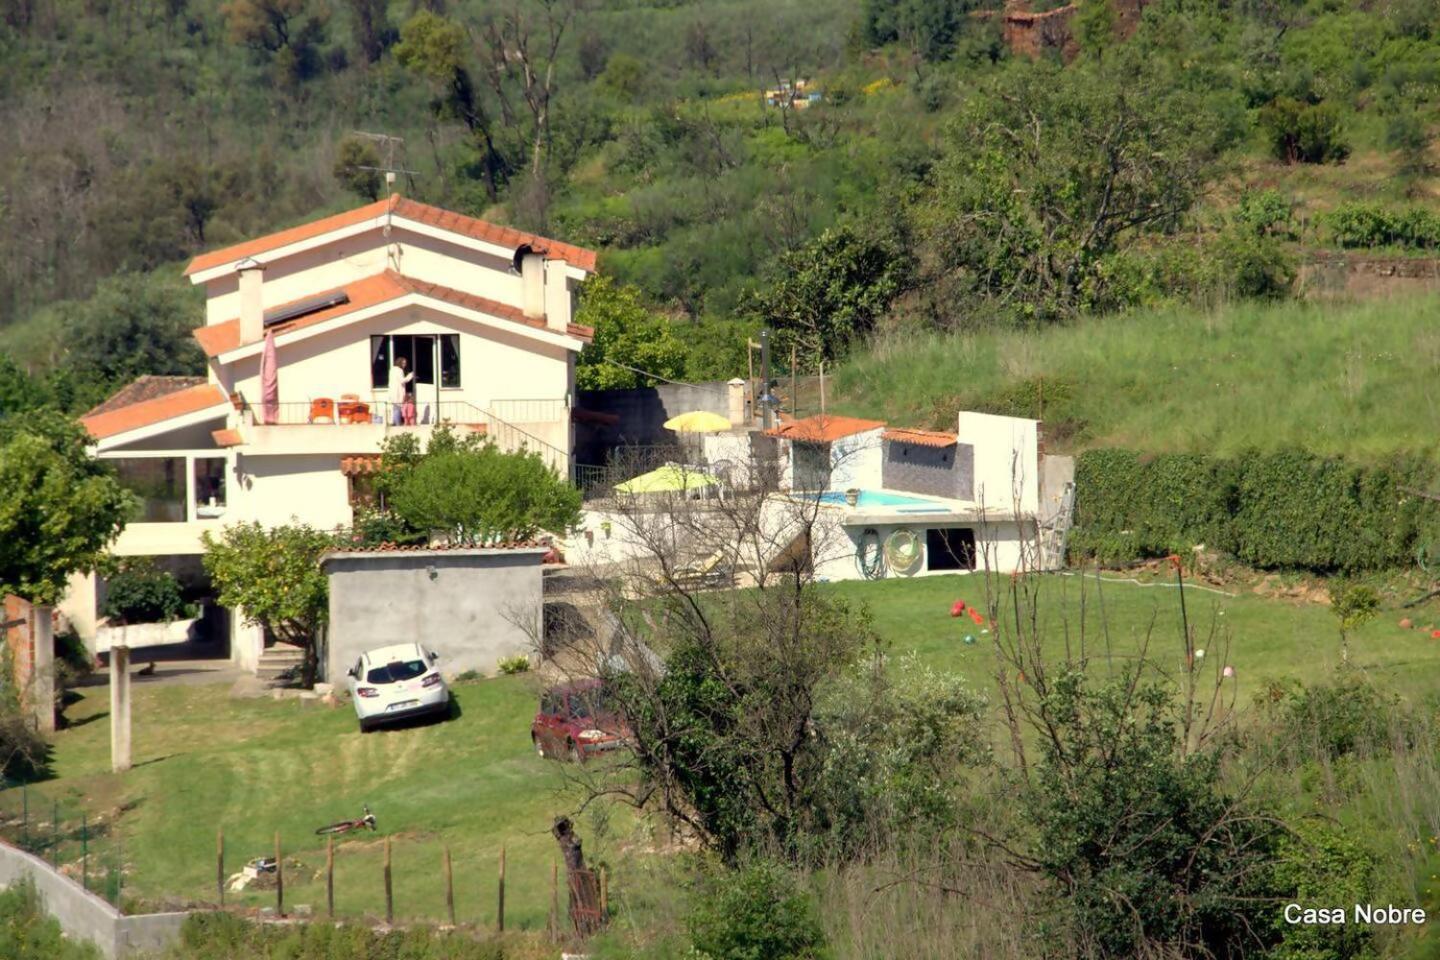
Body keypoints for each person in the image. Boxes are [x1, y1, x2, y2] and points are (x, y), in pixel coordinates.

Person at [388, 356, 413, 425]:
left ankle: (394, 423)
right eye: (403, 363)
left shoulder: (392, 369)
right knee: (398, 408)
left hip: (392, 392)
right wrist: (410, 375)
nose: (404, 365)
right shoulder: (399, 370)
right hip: (397, 392)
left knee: (395, 408)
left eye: (405, 363)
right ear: (399, 363)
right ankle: (397, 424)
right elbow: (402, 380)